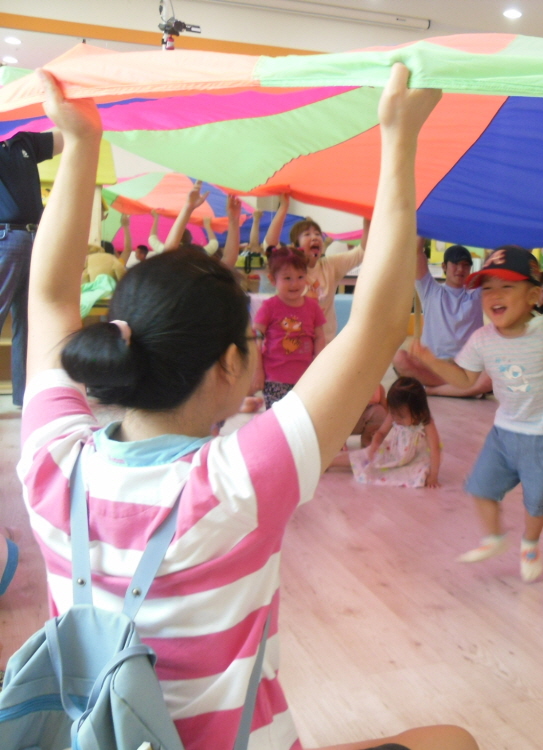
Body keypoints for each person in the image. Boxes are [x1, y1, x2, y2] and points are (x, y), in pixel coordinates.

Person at [21, 65, 476, 750]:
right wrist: (399, 137)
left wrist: (79, 144)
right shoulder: (233, 484)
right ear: (230, 364)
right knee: (453, 741)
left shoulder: (51, 462)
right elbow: (382, 322)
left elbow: (48, 299)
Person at [410, 245, 543, 582]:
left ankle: (530, 544)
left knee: (536, 501)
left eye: (506, 286)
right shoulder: (482, 339)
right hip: (504, 432)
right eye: (487, 288)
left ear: (533, 295)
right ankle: (494, 537)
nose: (494, 295)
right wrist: (431, 362)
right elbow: (465, 378)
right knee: (480, 487)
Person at [0, 123, 62, 408]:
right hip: (5, 236)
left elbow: (63, 138)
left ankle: (24, 397)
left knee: (29, 321)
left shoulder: (22, 141)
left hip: (35, 237)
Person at [394, 243, 492, 397]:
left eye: (465, 265)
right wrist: (425, 221)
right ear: (444, 266)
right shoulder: (431, 290)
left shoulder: (477, 294)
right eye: (455, 264)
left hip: (467, 368)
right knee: (399, 358)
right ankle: (463, 389)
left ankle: (434, 390)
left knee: (494, 371)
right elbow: (416, 251)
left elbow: (496, 267)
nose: (460, 269)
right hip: (435, 365)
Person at [254, 246, 326, 409]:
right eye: (287, 278)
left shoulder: (312, 306)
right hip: (275, 377)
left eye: (300, 277)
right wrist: (257, 370)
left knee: (301, 420)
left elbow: (320, 336)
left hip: (305, 377)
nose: (295, 283)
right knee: (277, 421)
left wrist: (320, 364)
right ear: (273, 280)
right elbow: (256, 338)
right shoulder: (269, 307)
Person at [287, 197, 366, 341]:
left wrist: (367, 216)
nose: (315, 238)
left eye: (318, 234)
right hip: (297, 341)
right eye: (307, 234)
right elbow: (269, 245)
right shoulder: (289, 269)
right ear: (295, 245)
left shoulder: (330, 265)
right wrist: (282, 209)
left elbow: (362, 251)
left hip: (325, 341)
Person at [341, 377, 442, 488]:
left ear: (418, 412)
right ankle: (329, 462)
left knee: (421, 474)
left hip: (415, 460)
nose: (396, 418)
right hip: (393, 452)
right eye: (393, 413)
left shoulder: (426, 422)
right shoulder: (394, 414)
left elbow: (435, 449)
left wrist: (433, 476)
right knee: (363, 455)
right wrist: (374, 446)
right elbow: (381, 433)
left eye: (401, 416)